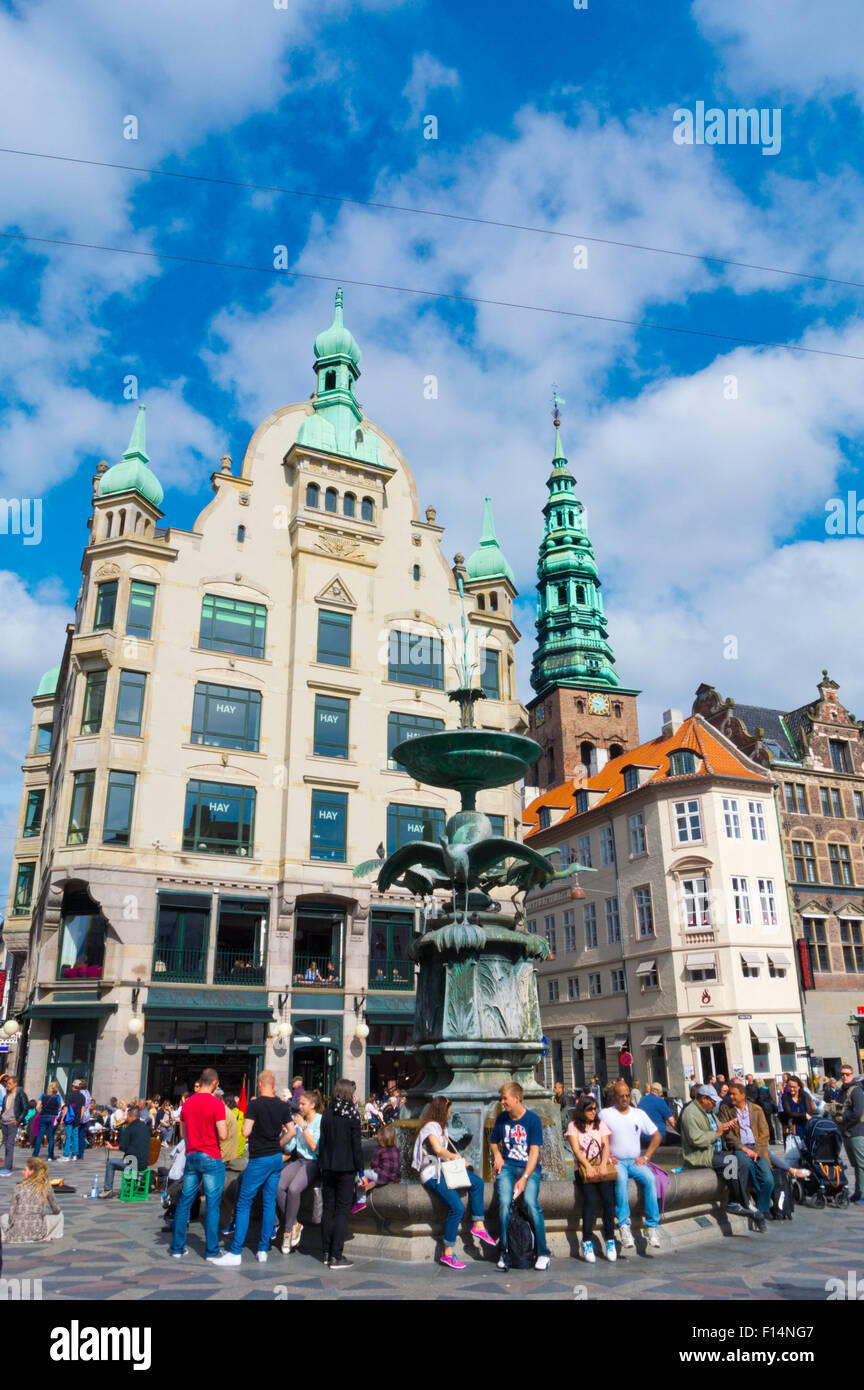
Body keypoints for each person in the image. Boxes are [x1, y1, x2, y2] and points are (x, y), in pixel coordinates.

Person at [212, 1071, 292, 1266]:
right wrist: (278, 1143)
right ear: (273, 1085)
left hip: (259, 1158)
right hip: (275, 1158)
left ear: (259, 1084)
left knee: (244, 1202)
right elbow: (292, 1132)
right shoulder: (282, 1106)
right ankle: (263, 1249)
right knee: (269, 1203)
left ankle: (236, 1251)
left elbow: (246, 1130)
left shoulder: (255, 1105)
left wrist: (251, 1128)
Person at [413, 1095, 494, 1269]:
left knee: (478, 1183)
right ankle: (447, 1252)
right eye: (449, 1110)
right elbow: (436, 1149)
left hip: (443, 1169)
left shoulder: (442, 1128)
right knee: (457, 1207)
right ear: (442, 1110)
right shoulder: (431, 1126)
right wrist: (453, 1156)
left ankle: (478, 1225)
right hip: (431, 1173)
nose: (450, 1114)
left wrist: (456, 1161)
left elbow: (442, 1152)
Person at [490, 1081, 552, 1272]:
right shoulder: (501, 1119)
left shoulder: (532, 1120)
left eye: (505, 1099)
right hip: (508, 1168)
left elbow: (534, 1153)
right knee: (504, 1204)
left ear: (517, 1098)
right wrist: (498, 1155)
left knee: (532, 1205)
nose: (502, 1102)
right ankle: (504, 1251)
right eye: (501, 1099)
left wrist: (525, 1177)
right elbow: (493, 1141)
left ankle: (543, 1253)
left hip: (529, 1169)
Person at [170, 1068, 228, 1262]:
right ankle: (211, 1251)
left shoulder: (187, 1104)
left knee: (185, 1200)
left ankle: (177, 1247)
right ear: (214, 1083)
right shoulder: (216, 1103)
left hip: (192, 1156)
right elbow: (223, 1135)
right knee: (212, 1203)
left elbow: (183, 1134)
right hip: (211, 1155)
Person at [600, 1079, 662, 1251]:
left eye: (627, 1095)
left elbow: (656, 1135)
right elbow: (597, 1136)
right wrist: (606, 1157)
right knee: (620, 1179)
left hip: (635, 1160)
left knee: (650, 1179)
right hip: (617, 1161)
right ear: (614, 1096)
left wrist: (647, 1156)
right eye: (621, 1096)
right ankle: (624, 1225)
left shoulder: (638, 1113)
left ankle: (651, 1227)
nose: (625, 1099)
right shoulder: (605, 1114)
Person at [679, 1084, 756, 1217]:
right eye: (712, 1102)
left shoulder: (707, 1112)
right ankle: (736, 1202)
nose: (714, 1105)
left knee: (743, 1162)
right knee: (731, 1162)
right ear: (703, 1098)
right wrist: (717, 1133)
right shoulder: (690, 1114)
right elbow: (696, 1140)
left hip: (716, 1151)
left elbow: (718, 1128)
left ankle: (739, 1200)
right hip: (701, 1155)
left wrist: (726, 1126)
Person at [318, 1078, 364, 1270]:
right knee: (343, 1210)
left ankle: (327, 1252)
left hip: (328, 1167)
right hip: (345, 1168)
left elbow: (323, 1142)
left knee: (328, 1209)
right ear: (348, 1093)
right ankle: (337, 1255)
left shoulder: (327, 1113)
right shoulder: (352, 1115)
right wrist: (361, 1170)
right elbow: (356, 1146)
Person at [566, 1095, 617, 1263]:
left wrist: (603, 1164)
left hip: (602, 1167)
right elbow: (576, 1150)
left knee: (609, 1200)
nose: (594, 1112)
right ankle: (587, 1240)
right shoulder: (573, 1126)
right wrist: (588, 1166)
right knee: (591, 1199)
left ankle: (610, 1239)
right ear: (582, 1110)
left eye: (595, 1109)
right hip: (583, 1168)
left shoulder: (600, 1124)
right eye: (590, 1109)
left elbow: (606, 1146)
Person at [718, 1081, 774, 1229]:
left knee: (768, 1180)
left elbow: (764, 1133)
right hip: (739, 1148)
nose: (731, 1097)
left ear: (743, 1095)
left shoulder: (756, 1109)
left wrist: (757, 1151)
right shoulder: (726, 1109)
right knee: (747, 1166)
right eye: (730, 1094)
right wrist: (744, 1149)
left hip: (757, 1149)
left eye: (734, 1094)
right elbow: (728, 1135)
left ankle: (762, 1209)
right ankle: (755, 1211)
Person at [277, 1088, 323, 1254]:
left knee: (294, 1189)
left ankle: (287, 1232)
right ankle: (295, 1223)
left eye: (303, 1104)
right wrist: (286, 1134)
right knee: (278, 1185)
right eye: (299, 1103)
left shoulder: (320, 1121)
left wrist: (303, 1128)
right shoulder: (299, 1120)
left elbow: (315, 1147)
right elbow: (291, 1148)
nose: (300, 1106)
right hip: (300, 1160)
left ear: (313, 1105)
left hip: (313, 1162)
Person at [0, 1158, 61, 1243]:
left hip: (16, 1234)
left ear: (32, 1171)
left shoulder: (18, 1187)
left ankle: (5, 1236)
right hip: (37, 1233)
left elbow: (11, 1215)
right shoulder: (46, 1187)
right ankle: (55, 1234)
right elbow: (56, 1210)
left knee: (3, 1218)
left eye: (25, 1170)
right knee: (60, 1216)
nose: (22, 1172)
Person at [98, 1104, 152, 1197]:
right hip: (144, 1163)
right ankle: (131, 1187)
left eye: (127, 1116)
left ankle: (108, 1190)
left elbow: (123, 1147)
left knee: (111, 1163)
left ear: (131, 1117)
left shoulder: (130, 1128)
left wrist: (111, 1148)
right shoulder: (146, 1127)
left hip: (132, 1164)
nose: (126, 1118)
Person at [354, 1122, 402, 1213]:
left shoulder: (379, 1149)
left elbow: (374, 1164)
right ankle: (373, 1181)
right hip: (393, 1178)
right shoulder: (397, 1150)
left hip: (381, 1177)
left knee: (363, 1174)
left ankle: (360, 1202)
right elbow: (398, 1165)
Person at [837, 1070, 864, 1203]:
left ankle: (862, 1193)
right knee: (855, 1164)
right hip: (847, 1132)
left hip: (857, 1131)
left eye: (847, 1074)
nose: (844, 1076)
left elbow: (858, 1112)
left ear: (852, 1075)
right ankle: (858, 1192)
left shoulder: (856, 1090)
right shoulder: (843, 1090)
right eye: (842, 1074)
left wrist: (844, 1117)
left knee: (861, 1164)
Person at [781, 1075, 815, 1162]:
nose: (791, 1089)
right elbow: (788, 1113)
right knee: (793, 1157)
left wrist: (801, 1115)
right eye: (789, 1086)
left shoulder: (805, 1095)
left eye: (794, 1087)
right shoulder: (785, 1097)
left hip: (805, 1128)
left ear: (799, 1087)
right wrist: (804, 1115)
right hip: (793, 1128)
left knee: (807, 1155)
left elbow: (810, 1111)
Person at [0, 1077, 27, 1175]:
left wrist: (18, 1120)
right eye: (7, 1083)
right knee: (6, 1144)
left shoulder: (20, 1094)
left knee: (10, 1144)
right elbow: (4, 1108)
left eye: (10, 1083)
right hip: (4, 1122)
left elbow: (25, 1108)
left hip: (12, 1122)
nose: (7, 1085)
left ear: (15, 1084)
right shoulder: (7, 1095)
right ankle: (6, 1165)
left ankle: (7, 1167)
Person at [32, 1082, 62, 1160]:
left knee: (40, 1136)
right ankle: (50, 1156)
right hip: (53, 1118)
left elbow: (37, 1107)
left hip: (43, 1117)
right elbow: (59, 1107)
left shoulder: (43, 1095)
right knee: (51, 1137)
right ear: (55, 1088)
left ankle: (35, 1154)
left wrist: (40, 1113)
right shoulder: (57, 1097)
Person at [60, 1080, 84, 1162]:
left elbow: (66, 1108)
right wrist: (80, 1118)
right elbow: (83, 1109)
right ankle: (74, 1155)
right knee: (75, 1136)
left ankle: (66, 1155)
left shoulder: (70, 1095)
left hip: (69, 1118)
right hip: (77, 1119)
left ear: (73, 1086)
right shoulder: (82, 1096)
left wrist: (62, 1118)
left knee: (68, 1136)